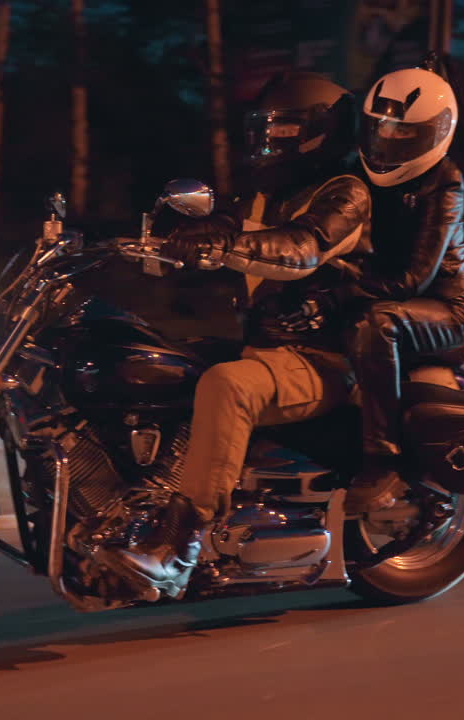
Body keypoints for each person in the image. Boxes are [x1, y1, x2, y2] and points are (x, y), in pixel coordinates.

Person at [94, 71, 370, 599]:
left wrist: (220, 247)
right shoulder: (265, 195)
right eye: (262, 130)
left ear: (314, 132)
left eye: (279, 130)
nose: (267, 141)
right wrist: (147, 244)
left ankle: (179, 547)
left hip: (324, 358)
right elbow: (224, 225)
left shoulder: (346, 194)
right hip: (268, 348)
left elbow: (301, 247)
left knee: (227, 385)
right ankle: (133, 507)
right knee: (150, 361)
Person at [340, 64, 464, 513]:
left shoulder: (446, 181)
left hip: (444, 310)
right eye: (383, 129)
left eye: (404, 134)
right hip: (389, 295)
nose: (390, 141)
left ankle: (384, 462)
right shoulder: (357, 174)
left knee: (377, 322)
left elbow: (411, 279)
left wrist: (344, 279)